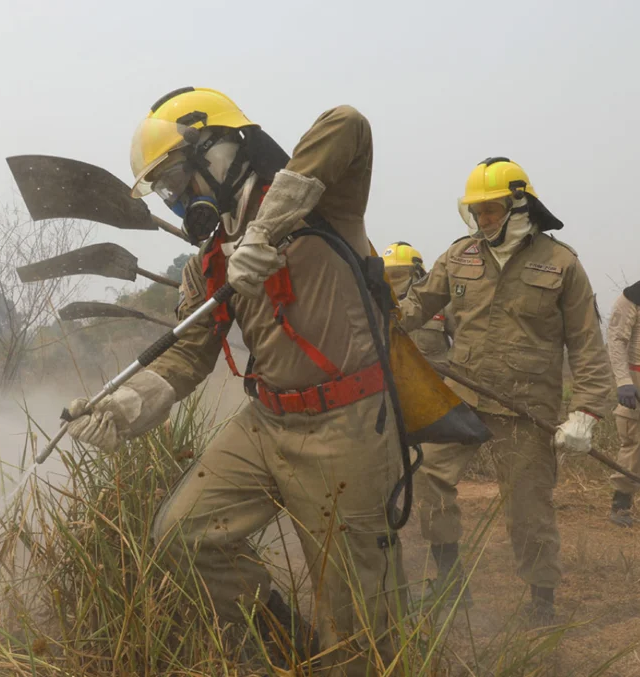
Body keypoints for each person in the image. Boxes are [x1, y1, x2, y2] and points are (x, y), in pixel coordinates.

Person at [63, 87, 407, 673]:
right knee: (181, 533)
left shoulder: (325, 205)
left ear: (220, 148)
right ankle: (288, 640)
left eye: (177, 179)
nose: (177, 201)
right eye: (166, 191)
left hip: (346, 424)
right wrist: (122, 407)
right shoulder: (210, 260)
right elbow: (186, 356)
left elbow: (349, 123)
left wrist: (265, 232)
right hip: (267, 422)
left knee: (359, 629)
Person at [399, 157, 614, 624]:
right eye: (476, 212)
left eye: (491, 210)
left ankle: (541, 600)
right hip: (461, 399)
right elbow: (415, 306)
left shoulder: (562, 264)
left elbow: (586, 345)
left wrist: (587, 413)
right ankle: (449, 582)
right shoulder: (458, 256)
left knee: (527, 506)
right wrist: (371, 316)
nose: (483, 221)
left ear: (521, 204)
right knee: (430, 478)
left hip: (526, 407)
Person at [605, 240, 640, 527]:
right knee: (638, 443)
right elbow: (616, 340)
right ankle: (621, 502)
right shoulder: (632, 298)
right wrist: (623, 381)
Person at [381, 241, 454, 369]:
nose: (393, 281)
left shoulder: (442, 307)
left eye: (398, 274)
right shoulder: (378, 312)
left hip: (438, 385)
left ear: (418, 273)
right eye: (388, 275)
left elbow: (466, 347)